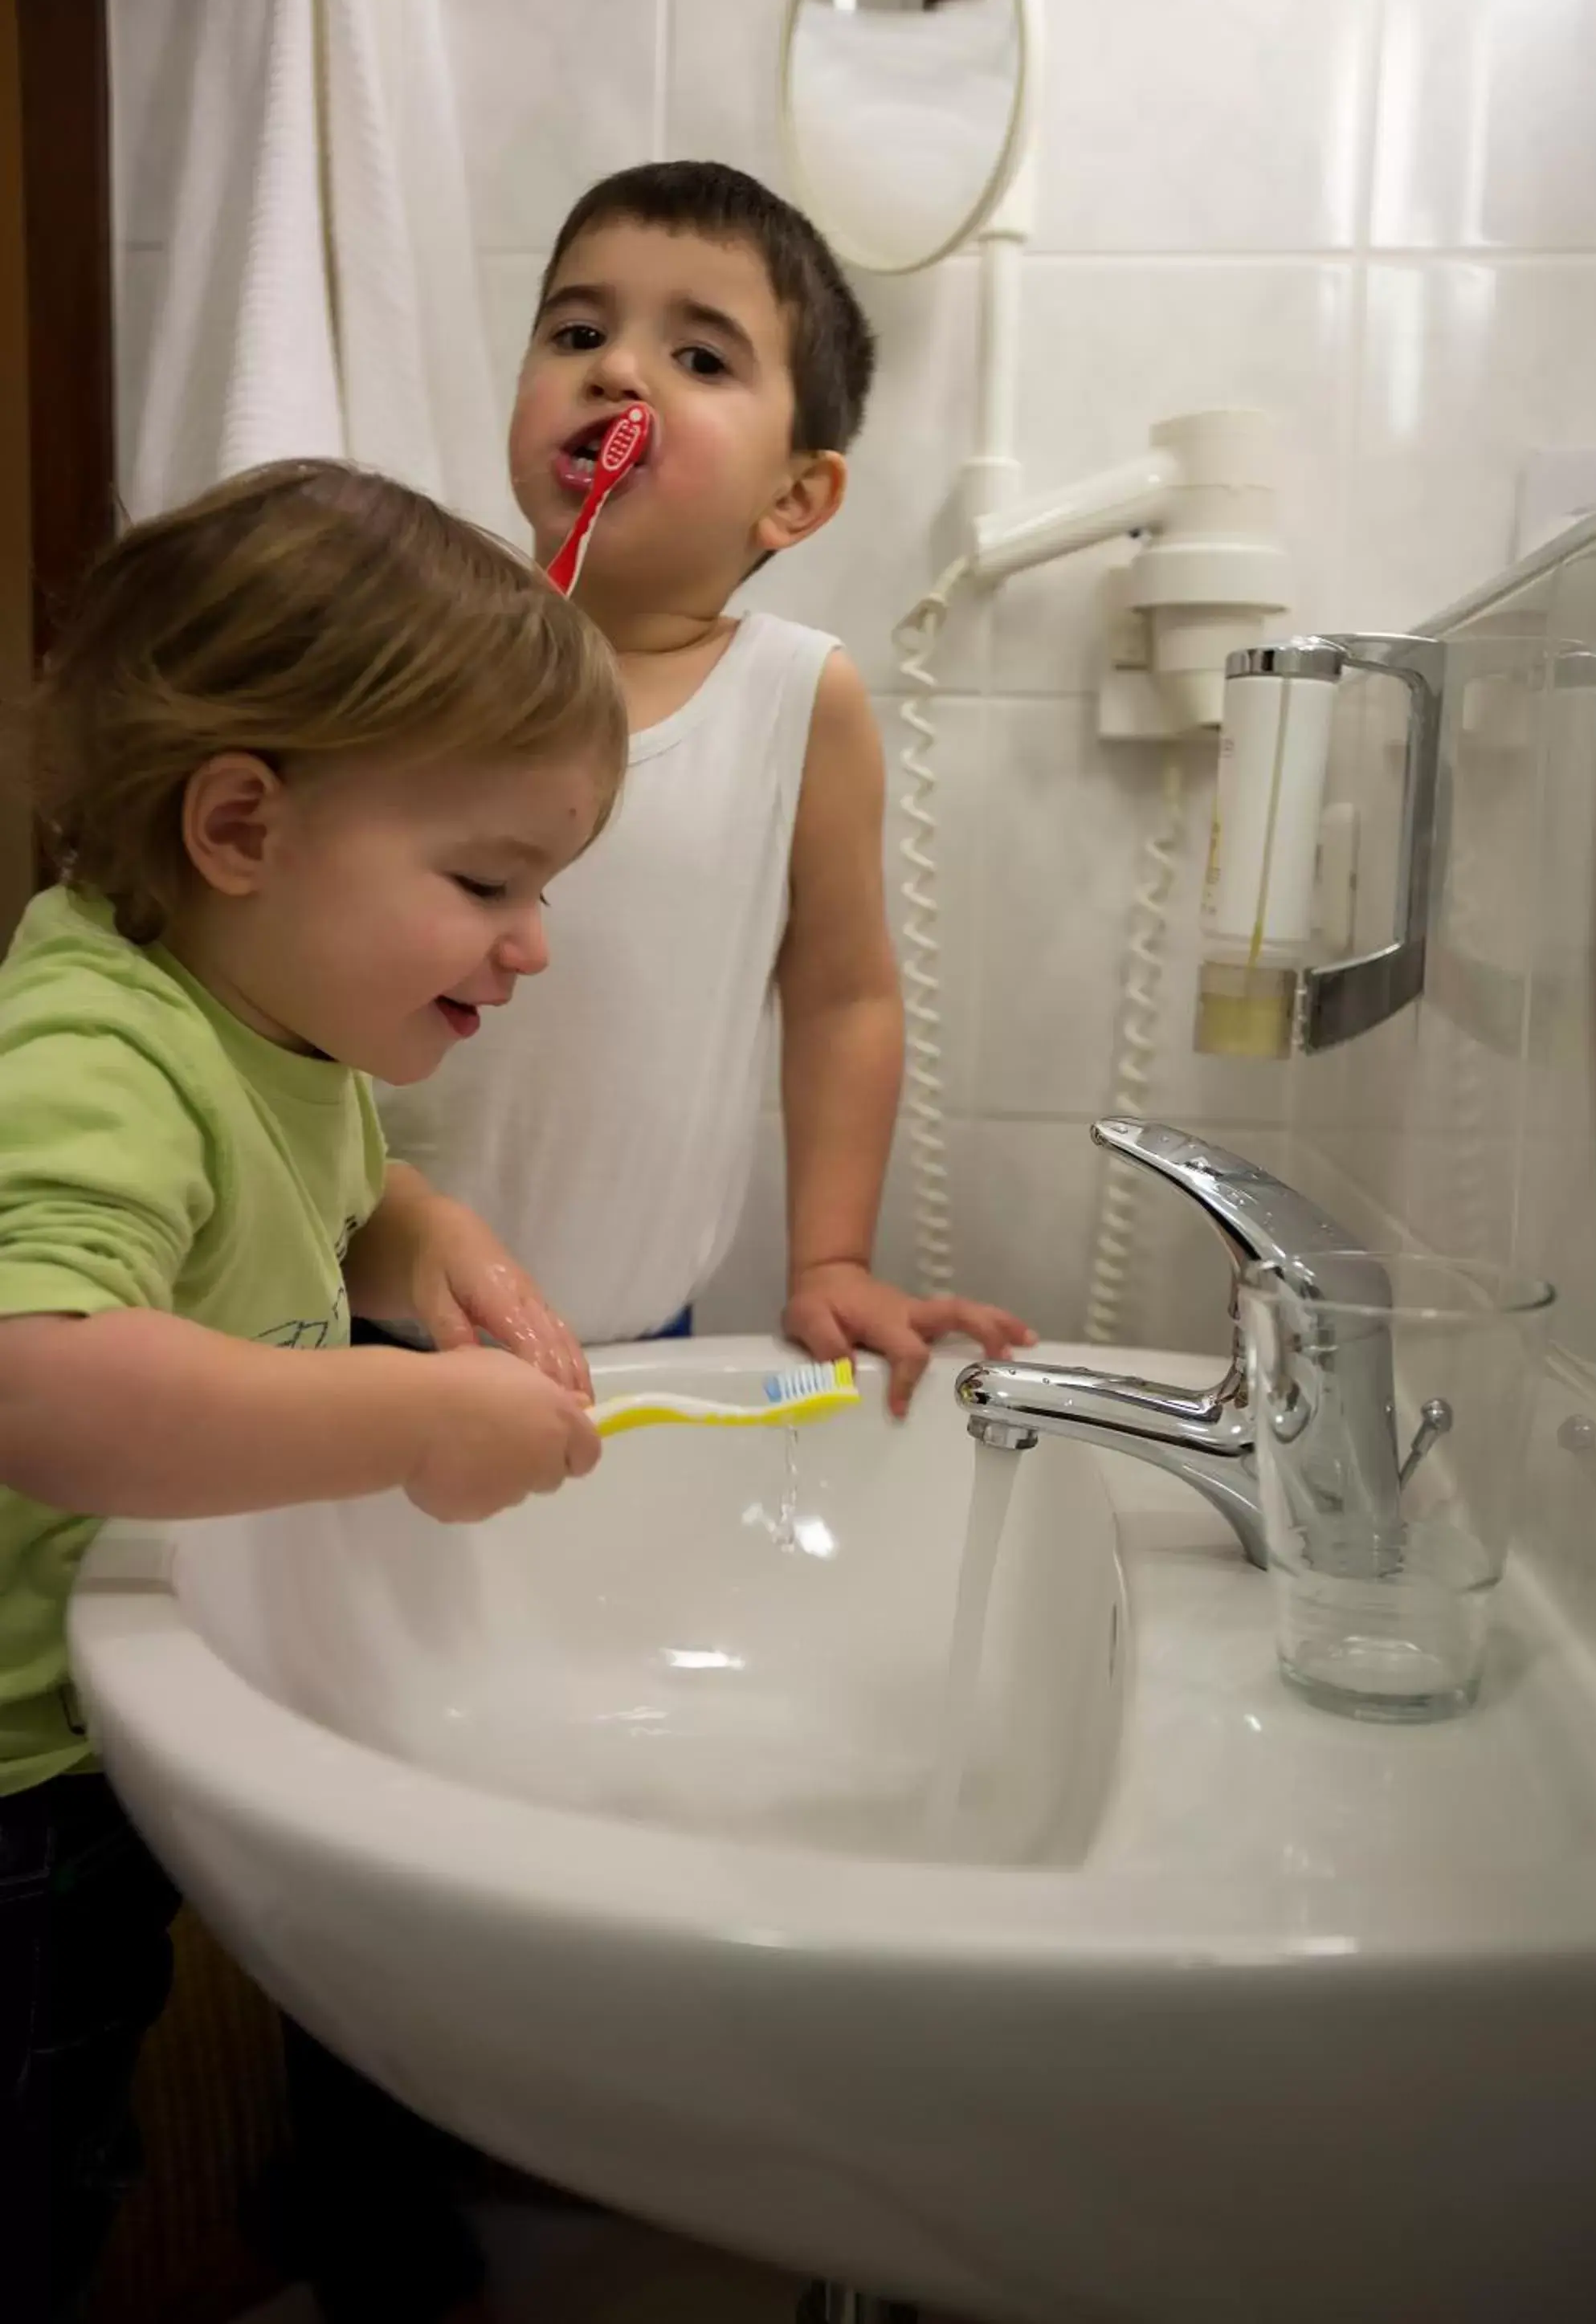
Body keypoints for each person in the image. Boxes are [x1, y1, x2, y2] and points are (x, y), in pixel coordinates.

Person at [0, 459, 625, 2322]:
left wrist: (415, 1236)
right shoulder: (99, 1043)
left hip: (104, 1693)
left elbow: (328, 1206)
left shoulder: (271, 1026)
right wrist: (416, 1421)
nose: (530, 942)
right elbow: (36, 1369)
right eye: (485, 880)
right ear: (242, 827)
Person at [379, 159, 1035, 1409]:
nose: (618, 372)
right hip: (349, 1313)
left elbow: (844, 997)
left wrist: (830, 1255)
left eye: (702, 360)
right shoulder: (403, 653)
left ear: (796, 494)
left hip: (635, 1341)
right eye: (578, 332)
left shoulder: (798, 701)